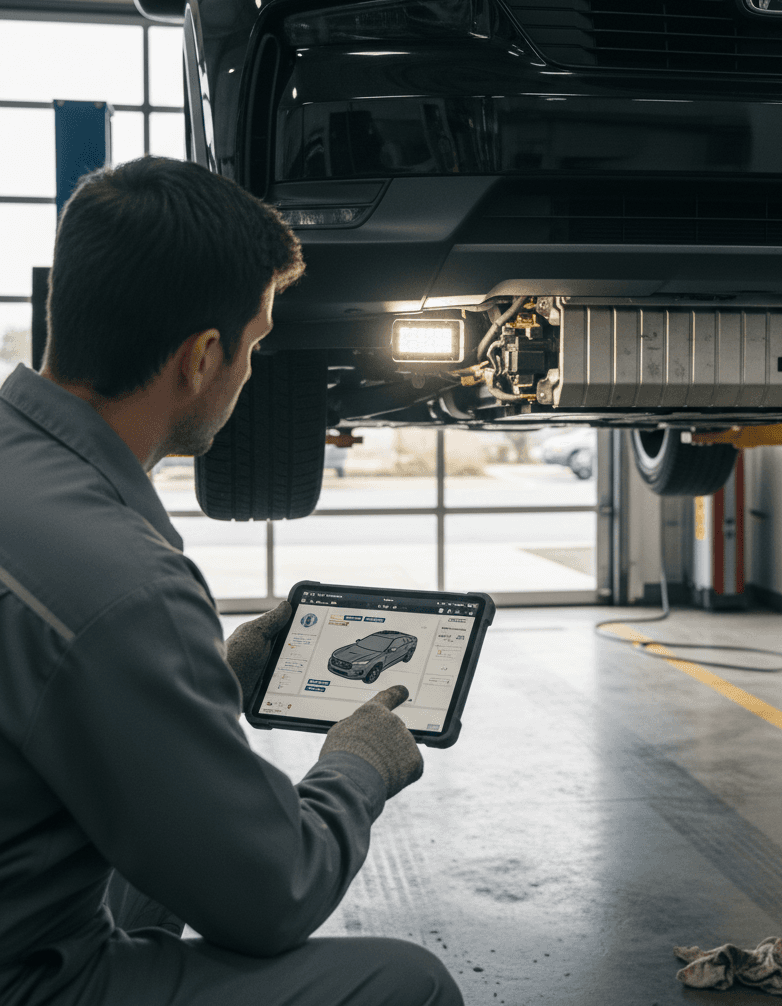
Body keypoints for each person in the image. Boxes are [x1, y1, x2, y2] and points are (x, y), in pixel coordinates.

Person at [0, 157, 463, 1006]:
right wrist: (355, 770)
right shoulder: (128, 581)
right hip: (24, 980)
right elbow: (269, 896)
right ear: (202, 357)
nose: (251, 373)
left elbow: (56, 674)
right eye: (253, 346)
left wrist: (205, 666)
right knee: (405, 983)